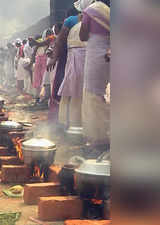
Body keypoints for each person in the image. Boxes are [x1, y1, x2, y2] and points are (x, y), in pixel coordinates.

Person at [56, 1, 92, 132]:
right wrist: (55, 56)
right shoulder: (71, 20)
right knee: (74, 89)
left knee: (82, 90)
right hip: (76, 57)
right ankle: (71, 122)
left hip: (86, 56)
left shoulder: (92, 20)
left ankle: (81, 123)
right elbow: (60, 38)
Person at [79, 0, 110, 153]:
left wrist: (82, 19)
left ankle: (98, 139)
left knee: (92, 95)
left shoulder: (90, 11)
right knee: (104, 94)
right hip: (108, 54)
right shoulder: (108, 11)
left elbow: (83, 35)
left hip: (95, 54)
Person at [46, 6, 81, 127]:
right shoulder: (91, 17)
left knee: (63, 87)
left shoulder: (70, 20)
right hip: (80, 57)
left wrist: (54, 58)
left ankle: (62, 120)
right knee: (78, 90)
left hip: (68, 57)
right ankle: (74, 121)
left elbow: (59, 41)